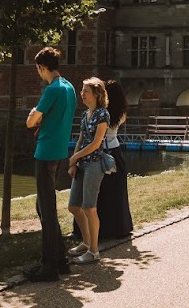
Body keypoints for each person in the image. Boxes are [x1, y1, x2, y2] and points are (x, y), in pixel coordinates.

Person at [24, 46, 76, 282]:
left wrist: (34, 113)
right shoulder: (69, 87)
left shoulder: (51, 89)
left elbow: (31, 122)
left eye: (38, 69)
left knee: (46, 208)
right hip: (59, 152)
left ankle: (49, 266)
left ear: (42, 67)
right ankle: (61, 260)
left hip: (45, 153)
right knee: (43, 206)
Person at [67, 78, 110, 265]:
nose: (82, 94)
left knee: (89, 207)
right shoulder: (86, 114)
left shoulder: (103, 114)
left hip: (94, 164)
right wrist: (74, 161)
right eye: (82, 90)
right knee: (74, 206)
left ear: (97, 94)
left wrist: (76, 157)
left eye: (86, 91)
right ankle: (86, 242)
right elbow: (81, 139)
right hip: (82, 163)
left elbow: (96, 143)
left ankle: (94, 251)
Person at [95, 79, 134, 238]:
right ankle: (120, 227)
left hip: (102, 152)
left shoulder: (101, 112)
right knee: (117, 193)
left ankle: (102, 229)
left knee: (100, 193)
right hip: (116, 152)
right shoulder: (121, 112)